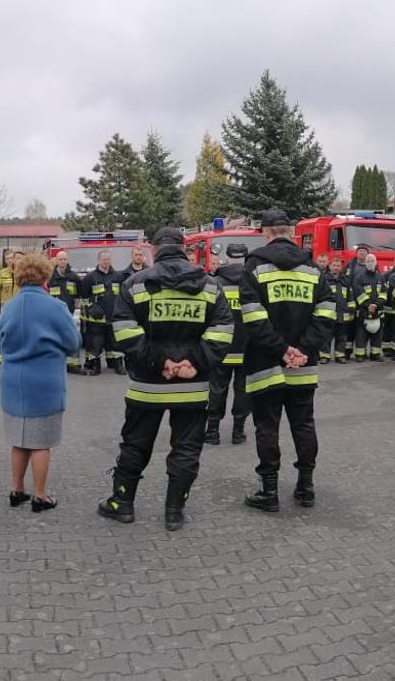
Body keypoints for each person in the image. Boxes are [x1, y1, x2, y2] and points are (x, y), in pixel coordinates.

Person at [97, 228, 232, 531]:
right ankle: (174, 511)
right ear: (184, 249)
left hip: (147, 386)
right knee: (186, 449)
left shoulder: (135, 284)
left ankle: (122, 503)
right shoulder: (210, 285)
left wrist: (161, 363)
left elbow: (124, 331)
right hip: (192, 387)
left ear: (154, 250)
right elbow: (223, 331)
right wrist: (193, 362)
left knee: (135, 445)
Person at [238, 210, 335, 513]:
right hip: (303, 365)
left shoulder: (254, 266)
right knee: (303, 424)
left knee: (267, 426)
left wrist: (281, 350)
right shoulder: (312, 268)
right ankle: (306, 487)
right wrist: (302, 349)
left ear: (265, 233)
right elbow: (327, 313)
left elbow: (253, 318)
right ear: (291, 232)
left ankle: (269, 491)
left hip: (265, 363)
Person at [0, 252, 76, 513]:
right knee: (41, 442)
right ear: (45, 276)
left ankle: (17, 490)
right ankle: (40, 495)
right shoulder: (56, 307)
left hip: (13, 381)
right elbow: (73, 343)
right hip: (44, 381)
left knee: (18, 439)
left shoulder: (8, 307)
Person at [204, 241, 252, 446]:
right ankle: (238, 431)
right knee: (243, 389)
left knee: (216, 389)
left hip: (220, 347)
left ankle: (212, 432)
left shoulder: (215, 283)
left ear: (227, 258)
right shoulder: (253, 283)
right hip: (247, 348)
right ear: (245, 258)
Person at [77, 250, 123, 376]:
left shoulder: (118, 276)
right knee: (95, 343)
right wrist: (91, 307)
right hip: (96, 318)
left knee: (115, 343)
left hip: (113, 316)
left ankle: (117, 364)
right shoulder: (90, 277)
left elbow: (122, 295)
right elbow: (84, 296)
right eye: (104, 259)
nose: (106, 262)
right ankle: (95, 366)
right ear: (98, 260)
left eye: (108, 259)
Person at [46, 250, 84, 373]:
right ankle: (55, 363)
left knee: (72, 337)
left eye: (64, 259)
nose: (62, 261)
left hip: (69, 313)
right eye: (60, 259)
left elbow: (79, 294)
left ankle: (73, 364)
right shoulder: (50, 278)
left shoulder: (74, 277)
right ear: (56, 261)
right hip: (53, 314)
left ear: (67, 261)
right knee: (54, 338)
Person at [0, 249, 21, 373]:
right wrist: (3, 298)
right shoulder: (2, 273)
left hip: (18, 309)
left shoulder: (23, 274)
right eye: (9, 258)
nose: (11, 261)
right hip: (5, 308)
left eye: (13, 258)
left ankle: (13, 361)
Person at [350, 252, 384, 361]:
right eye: (368, 261)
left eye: (372, 261)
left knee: (377, 334)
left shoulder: (380, 277)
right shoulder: (359, 277)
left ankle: (375, 354)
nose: (370, 263)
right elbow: (358, 292)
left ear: (376, 262)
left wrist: (377, 304)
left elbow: (384, 293)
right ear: (365, 263)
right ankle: (360, 355)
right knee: (361, 334)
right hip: (363, 310)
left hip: (377, 311)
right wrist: (368, 305)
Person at [329, 258, 355, 363]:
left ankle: (340, 355)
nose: (336, 267)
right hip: (329, 314)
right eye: (334, 265)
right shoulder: (324, 279)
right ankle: (324, 356)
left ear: (341, 268)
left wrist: (352, 311)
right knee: (327, 336)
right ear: (330, 266)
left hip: (343, 314)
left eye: (338, 266)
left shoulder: (345, 281)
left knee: (342, 336)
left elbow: (350, 297)